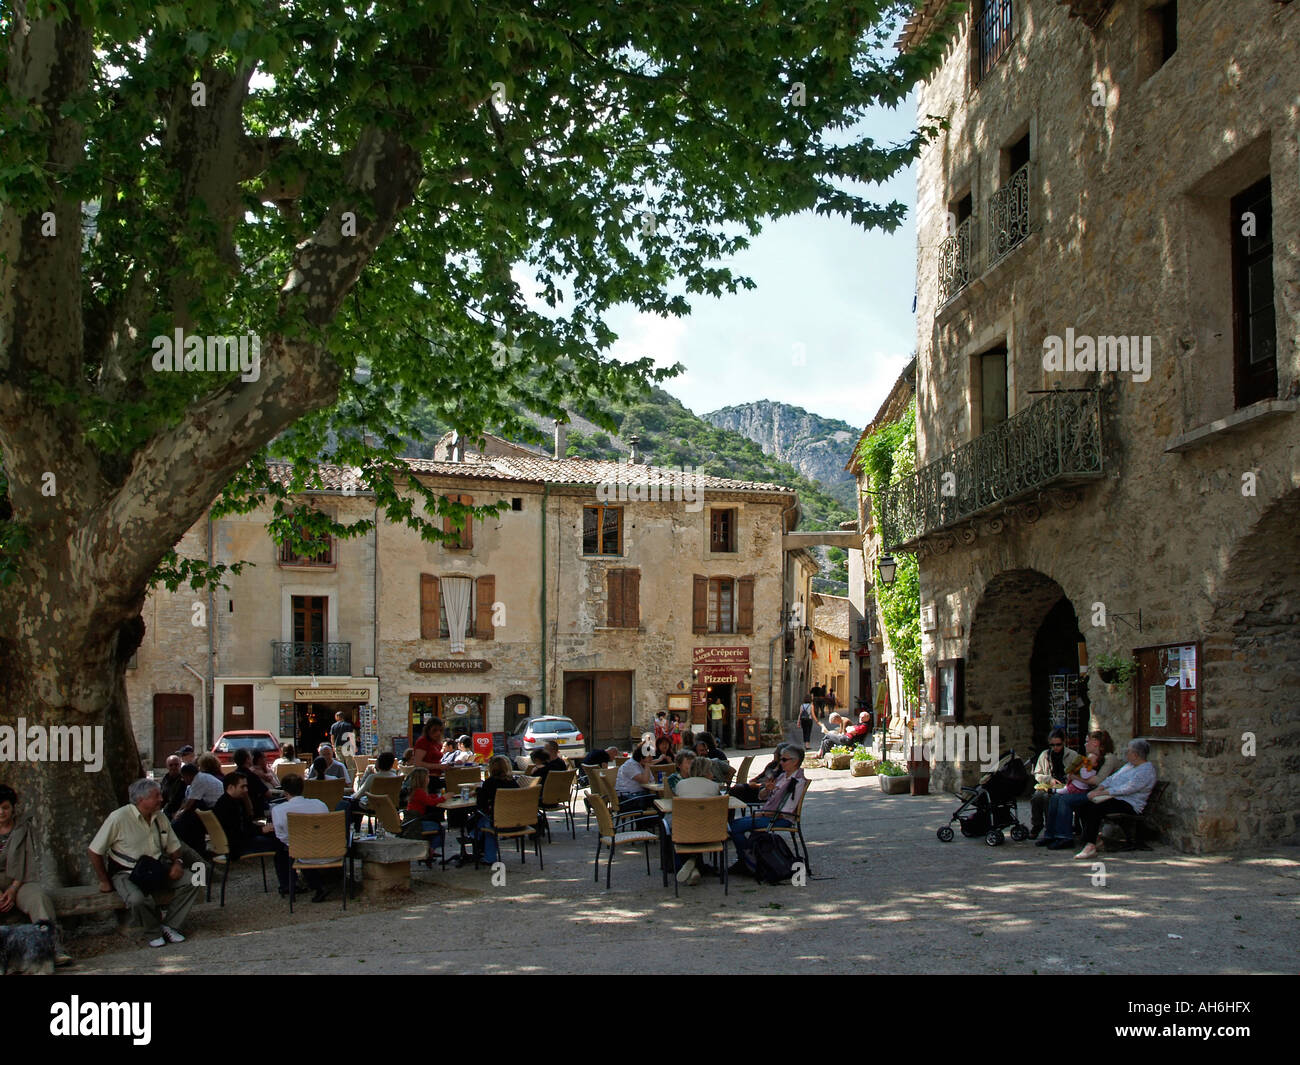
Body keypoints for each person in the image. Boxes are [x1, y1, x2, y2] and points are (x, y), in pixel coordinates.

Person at [88, 778, 201, 947]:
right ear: (142, 799)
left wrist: (177, 862)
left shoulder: (160, 817)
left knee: (194, 879)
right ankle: (153, 932)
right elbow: (94, 851)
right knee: (137, 900)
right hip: (126, 872)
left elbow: (173, 845)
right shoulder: (118, 818)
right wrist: (104, 880)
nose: (161, 799)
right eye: (157, 796)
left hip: (155, 868)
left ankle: (170, 925)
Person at [0, 785, 71, 965]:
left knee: (39, 898)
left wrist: (14, 889)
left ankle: (51, 948)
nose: (1, 812)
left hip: (19, 879)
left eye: (5, 807)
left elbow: (29, 860)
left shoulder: (23, 828)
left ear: (12, 807)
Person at [728, 746, 808, 876]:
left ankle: (747, 861)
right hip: (769, 815)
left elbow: (786, 810)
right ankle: (748, 859)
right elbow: (762, 797)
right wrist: (767, 790)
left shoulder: (796, 781)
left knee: (734, 827)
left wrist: (763, 813)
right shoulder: (783, 776)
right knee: (732, 825)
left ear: (795, 761)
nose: (780, 762)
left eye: (784, 759)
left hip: (780, 819)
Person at [1073, 738, 1157, 860]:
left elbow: (1128, 788)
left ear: (1135, 754)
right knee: (1083, 804)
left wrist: (1103, 793)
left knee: (1096, 808)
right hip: (1115, 798)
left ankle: (1090, 846)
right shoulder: (1129, 766)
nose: (1126, 753)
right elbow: (1111, 779)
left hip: (1130, 803)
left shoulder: (1146, 770)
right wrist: (1099, 789)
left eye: (1128, 751)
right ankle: (1094, 840)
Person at [269, 774, 332, 902]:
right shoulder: (319, 804)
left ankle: (288, 884)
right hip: (327, 848)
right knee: (302, 845)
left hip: (300, 850)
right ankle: (315, 884)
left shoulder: (279, 810)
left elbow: (281, 836)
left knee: (283, 847)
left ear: (285, 792)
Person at [671, 757, 726, 886]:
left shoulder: (680, 785)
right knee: (701, 822)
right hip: (711, 833)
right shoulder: (714, 786)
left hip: (685, 833)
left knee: (670, 829)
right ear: (707, 771)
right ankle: (695, 864)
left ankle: (691, 863)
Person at [212, 773, 277, 860]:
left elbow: (247, 823)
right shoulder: (229, 806)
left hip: (235, 843)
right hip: (238, 847)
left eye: (246, 786)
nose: (246, 790)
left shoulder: (227, 801)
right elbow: (239, 832)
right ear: (231, 787)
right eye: (242, 787)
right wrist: (261, 830)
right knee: (281, 844)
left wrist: (266, 822)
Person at [1029, 728, 1078, 839]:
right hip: (1048, 784)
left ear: (1063, 743)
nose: (1055, 747)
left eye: (1058, 744)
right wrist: (1048, 779)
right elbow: (1037, 774)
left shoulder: (1072, 755)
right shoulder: (1045, 755)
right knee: (1036, 797)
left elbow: (1078, 774)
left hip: (1064, 786)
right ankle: (1037, 824)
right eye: (1052, 745)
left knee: (1048, 798)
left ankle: (1050, 827)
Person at [172, 753, 227, 851]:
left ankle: (193, 848)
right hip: (212, 808)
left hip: (218, 810)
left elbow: (190, 803)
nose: (182, 780)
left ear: (188, 776)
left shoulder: (199, 780)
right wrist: (179, 811)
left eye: (183, 777)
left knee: (187, 819)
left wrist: (179, 815)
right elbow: (187, 800)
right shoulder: (198, 779)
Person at [474, 756, 520, 863]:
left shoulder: (490, 783)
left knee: (480, 821)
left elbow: (481, 804)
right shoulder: (513, 783)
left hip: (499, 823)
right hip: (518, 822)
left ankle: (488, 855)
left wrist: (478, 791)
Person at [231, 748, 271, 819]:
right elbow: (267, 793)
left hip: (238, 813)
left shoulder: (232, 776)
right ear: (247, 759)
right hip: (257, 812)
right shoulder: (251, 776)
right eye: (250, 757)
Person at [615, 745, 656, 812]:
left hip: (636, 795)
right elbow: (645, 781)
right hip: (626, 798)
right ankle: (654, 821)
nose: (651, 759)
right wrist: (647, 766)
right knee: (655, 800)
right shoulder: (631, 765)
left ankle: (655, 821)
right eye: (649, 756)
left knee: (656, 799)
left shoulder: (642, 765)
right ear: (641, 757)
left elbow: (651, 780)